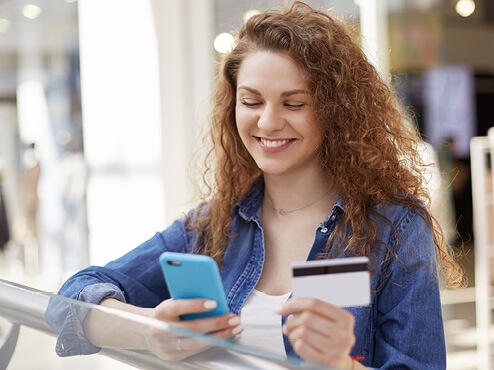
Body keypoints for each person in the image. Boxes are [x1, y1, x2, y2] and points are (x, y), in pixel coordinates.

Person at [46, 2, 464, 369]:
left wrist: (342, 367)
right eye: (251, 102)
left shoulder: (394, 229)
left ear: (336, 111)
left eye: (293, 103)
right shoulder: (212, 226)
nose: (267, 122)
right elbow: (68, 299)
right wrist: (150, 330)